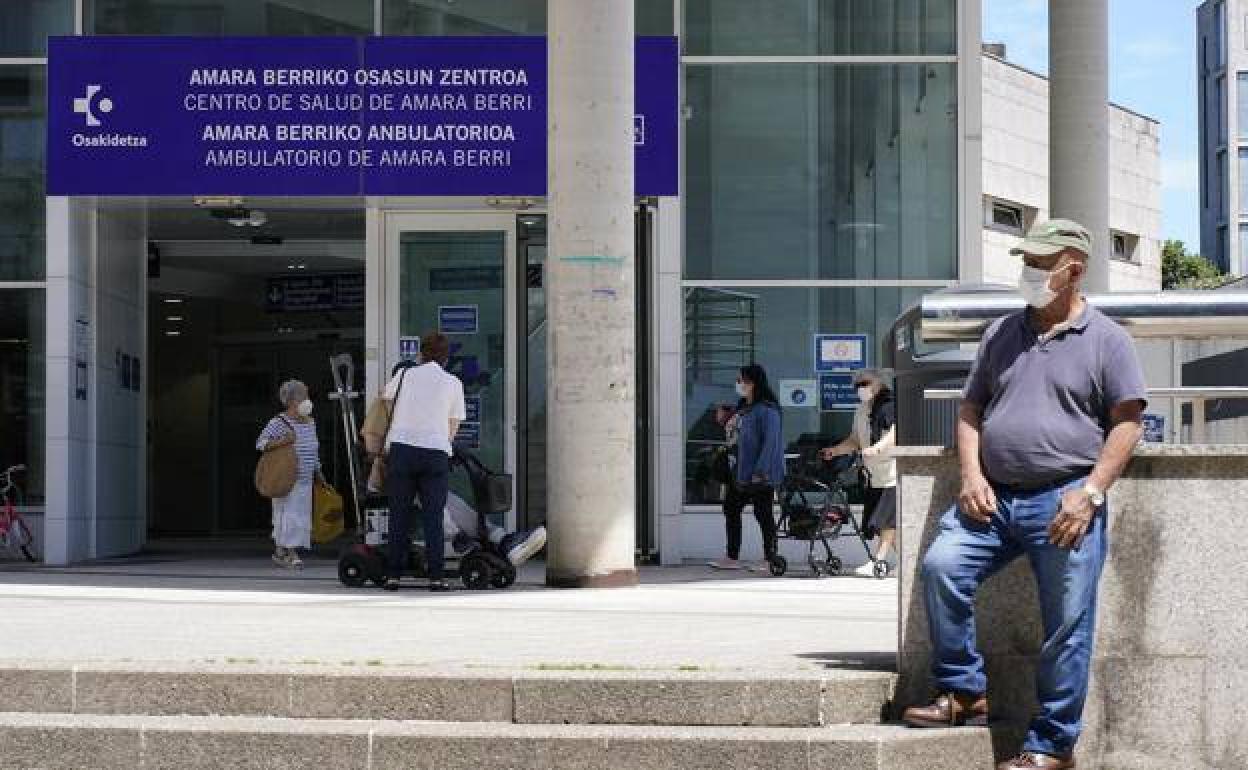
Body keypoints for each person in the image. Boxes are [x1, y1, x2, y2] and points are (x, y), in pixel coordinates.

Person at [902, 220, 1147, 770]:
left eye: (1041, 263)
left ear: (1074, 268)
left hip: (1064, 500)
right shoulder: (1002, 332)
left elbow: (1128, 424)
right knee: (942, 566)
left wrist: (1090, 493)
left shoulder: (1108, 339)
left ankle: (1052, 745)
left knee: (1067, 624)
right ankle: (965, 692)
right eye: (1028, 262)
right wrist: (971, 475)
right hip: (992, 499)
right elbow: (970, 410)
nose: (1030, 273)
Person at [380, 333, 465, 592]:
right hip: (435, 453)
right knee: (433, 517)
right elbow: (454, 422)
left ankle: (393, 575)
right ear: (446, 357)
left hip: (402, 449)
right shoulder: (453, 382)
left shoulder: (405, 375)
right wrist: (444, 443)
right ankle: (436, 577)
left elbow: (385, 398)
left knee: (399, 515)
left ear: (421, 354)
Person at [821, 368, 897, 577]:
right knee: (880, 522)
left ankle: (877, 560)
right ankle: (912, 560)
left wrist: (878, 448)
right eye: (858, 385)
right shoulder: (862, 409)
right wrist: (835, 450)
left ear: (879, 383)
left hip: (891, 470)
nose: (860, 389)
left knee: (887, 520)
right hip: (873, 474)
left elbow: (895, 433)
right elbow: (855, 438)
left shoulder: (890, 405)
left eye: (865, 383)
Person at [709, 364, 783, 572]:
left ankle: (770, 558)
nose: (738, 384)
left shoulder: (767, 410)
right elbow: (738, 435)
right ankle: (732, 556)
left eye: (741, 380)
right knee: (731, 509)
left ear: (753, 383)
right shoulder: (743, 407)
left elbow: (771, 442)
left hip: (760, 473)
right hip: (739, 472)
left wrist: (761, 470)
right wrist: (725, 419)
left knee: (763, 514)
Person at [255, 379, 322, 569]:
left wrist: (318, 471)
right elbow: (260, 443)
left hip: (306, 478)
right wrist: (284, 440)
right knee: (288, 514)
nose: (308, 400)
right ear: (292, 400)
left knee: (295, 514)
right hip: (286, 477)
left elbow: (314, 449)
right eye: (304, 396)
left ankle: (280, 551)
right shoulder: (279, 422)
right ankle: (291, 553)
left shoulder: (311, 422)